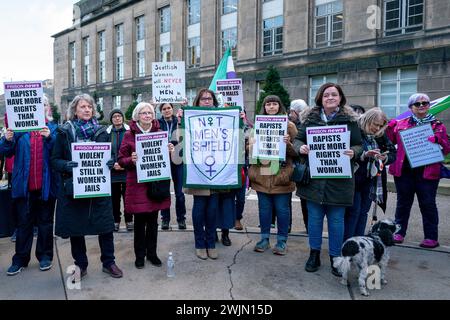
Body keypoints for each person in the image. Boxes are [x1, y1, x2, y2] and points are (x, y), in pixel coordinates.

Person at [51, 94, 123, 278]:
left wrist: (109, 163)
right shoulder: (64, 132)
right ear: (75, 110)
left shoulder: (101, 132)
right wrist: (67, 165)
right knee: (77, 228)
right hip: (75, 188)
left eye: (89, 107)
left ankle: (109, 262)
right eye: (82, 107)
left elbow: (111, 157)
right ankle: (80, 265)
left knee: (105, 226)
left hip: (98, 187)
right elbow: (55, 160)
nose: (87, 110)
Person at [294, 83, 362, 276]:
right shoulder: (310, 119)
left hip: (339, 181)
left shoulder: (350, 121)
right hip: (314, 180)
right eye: (326, 95)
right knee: (314, 220)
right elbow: (298, 139)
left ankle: (335, 257)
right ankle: (314, 253)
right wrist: (301, 148)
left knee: (336, 221)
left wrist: (353, 152)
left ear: (340, 98)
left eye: (334, 94)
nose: (330, 97)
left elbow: (359, 145)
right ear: (320, 99)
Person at [0, 99, 58, 276]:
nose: (39, 108)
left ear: (46, 108)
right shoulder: (18, 129)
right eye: (35, 105)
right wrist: (7, 140)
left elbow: (59, 151)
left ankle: (45, 256)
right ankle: (20, 259)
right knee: (23, 224)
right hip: (24, 187)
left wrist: (50, 138)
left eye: (42, 105)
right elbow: (6, 151)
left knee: (45, 223)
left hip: (46, 186)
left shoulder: (53, 128)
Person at [386, 93, 450, 248]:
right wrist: (388, 127)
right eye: (417, 104)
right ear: (411, 108)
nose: (421, 106)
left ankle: (431, 236)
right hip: (404, 170)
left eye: (425, 103)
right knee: (403, 203)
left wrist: (439, 140)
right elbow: (388, 142)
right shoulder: (400, 124)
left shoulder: (438, 125)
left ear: (429, 106)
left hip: (428, 172)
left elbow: (447, 149)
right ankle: (399, 232)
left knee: (428, 204)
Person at [119, 102, 173, 269]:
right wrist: (130, 160)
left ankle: (152, 253)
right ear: (137, 116)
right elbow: (121, 160)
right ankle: (139, 256)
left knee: (153, 222)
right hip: (137, 184)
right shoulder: (129, 135)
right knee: (139, 222)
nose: (147, 115)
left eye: (150, 112)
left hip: (155, 185)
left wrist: (169, 150)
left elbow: (165, 161)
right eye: (144, 113)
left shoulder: (160, 133)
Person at [249, 95, 298, 255]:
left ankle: (282, 241)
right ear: (264, 107)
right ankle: (264, 239)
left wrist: (288, 144)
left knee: (282, 210)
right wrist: (251, 145)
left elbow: (297, 153)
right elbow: (250, 154)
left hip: (281, 175)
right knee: (264, 209)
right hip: (262, 174)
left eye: (274, 104)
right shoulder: (257, 125)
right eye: (268, 104)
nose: (271, 107)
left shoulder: (289, 126)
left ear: (279, 106)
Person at [178, 89, 221, 260]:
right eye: (203, 99)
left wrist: (239, 121)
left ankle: (211, 242)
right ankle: (199, 243)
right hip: (198, 170)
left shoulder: (221, 117)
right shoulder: (190, 118)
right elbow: (182, 140)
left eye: (209, 98)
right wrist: (181, 121)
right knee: (199, 208)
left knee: (212, 210)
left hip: (217, 171)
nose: (206, 101)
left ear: (213, 101)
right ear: (198, 101)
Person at [344, 108, 396, 240]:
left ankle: (359, 243)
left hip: (371, 180)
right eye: (375, 124)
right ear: (368, 119)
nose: (377, 128)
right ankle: (347, 243)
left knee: (363, 212)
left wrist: (385, 158)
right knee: (353, 212)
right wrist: (364, 155)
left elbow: (393, 153)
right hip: (353, 179)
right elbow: (345, 152)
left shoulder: (380, 135)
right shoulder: (354, 130)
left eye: (380, 125)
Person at [158, 103, 186, 230]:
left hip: (178, 159)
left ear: (172, 109)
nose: (167, 110)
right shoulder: (157, 123)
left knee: (179, 192)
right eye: (164, 109)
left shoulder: (179, 120)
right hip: (163, 159)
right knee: (163, 191)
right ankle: (165, 219)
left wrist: (184, 108)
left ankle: (181, 219)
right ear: (161, 111)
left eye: (169, 108)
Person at [107, 109, 133, 232]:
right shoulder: (107, 133)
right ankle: (115, 221)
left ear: (123, 118)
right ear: (111, 119)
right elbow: (104, 151)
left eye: (119, 116)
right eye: (115, 116)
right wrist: (113, 164)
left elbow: (132, 149)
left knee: (128, 198)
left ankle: (129, 220)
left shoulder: (129, 132)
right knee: (114, 199)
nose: (117, 118)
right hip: (112, 172)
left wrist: (124, 164)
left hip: (126, 171)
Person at [289, 99, 310, 233]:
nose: (290, 114)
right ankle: (308, 228)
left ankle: (309, 227)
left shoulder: (303, 124)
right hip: (300, 164)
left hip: (303, 166)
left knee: (305, 199)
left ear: (295, 112)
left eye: (291, 111)